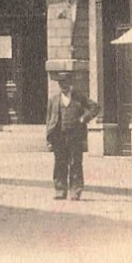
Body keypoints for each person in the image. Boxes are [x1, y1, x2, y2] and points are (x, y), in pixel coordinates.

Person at [46, 72, 100, 200]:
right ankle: (60, 191)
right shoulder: (53, 100)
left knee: (75, 163)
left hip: (75, 136)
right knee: (60, 163)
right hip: (59, 136)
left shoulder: (79, 98)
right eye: (61, 83)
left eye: (65, 83)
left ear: (70, 84)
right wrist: (49, 138)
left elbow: (95, 107)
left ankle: (75, 191)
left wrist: (83, 118)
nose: (63, 86)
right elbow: (49, 120)